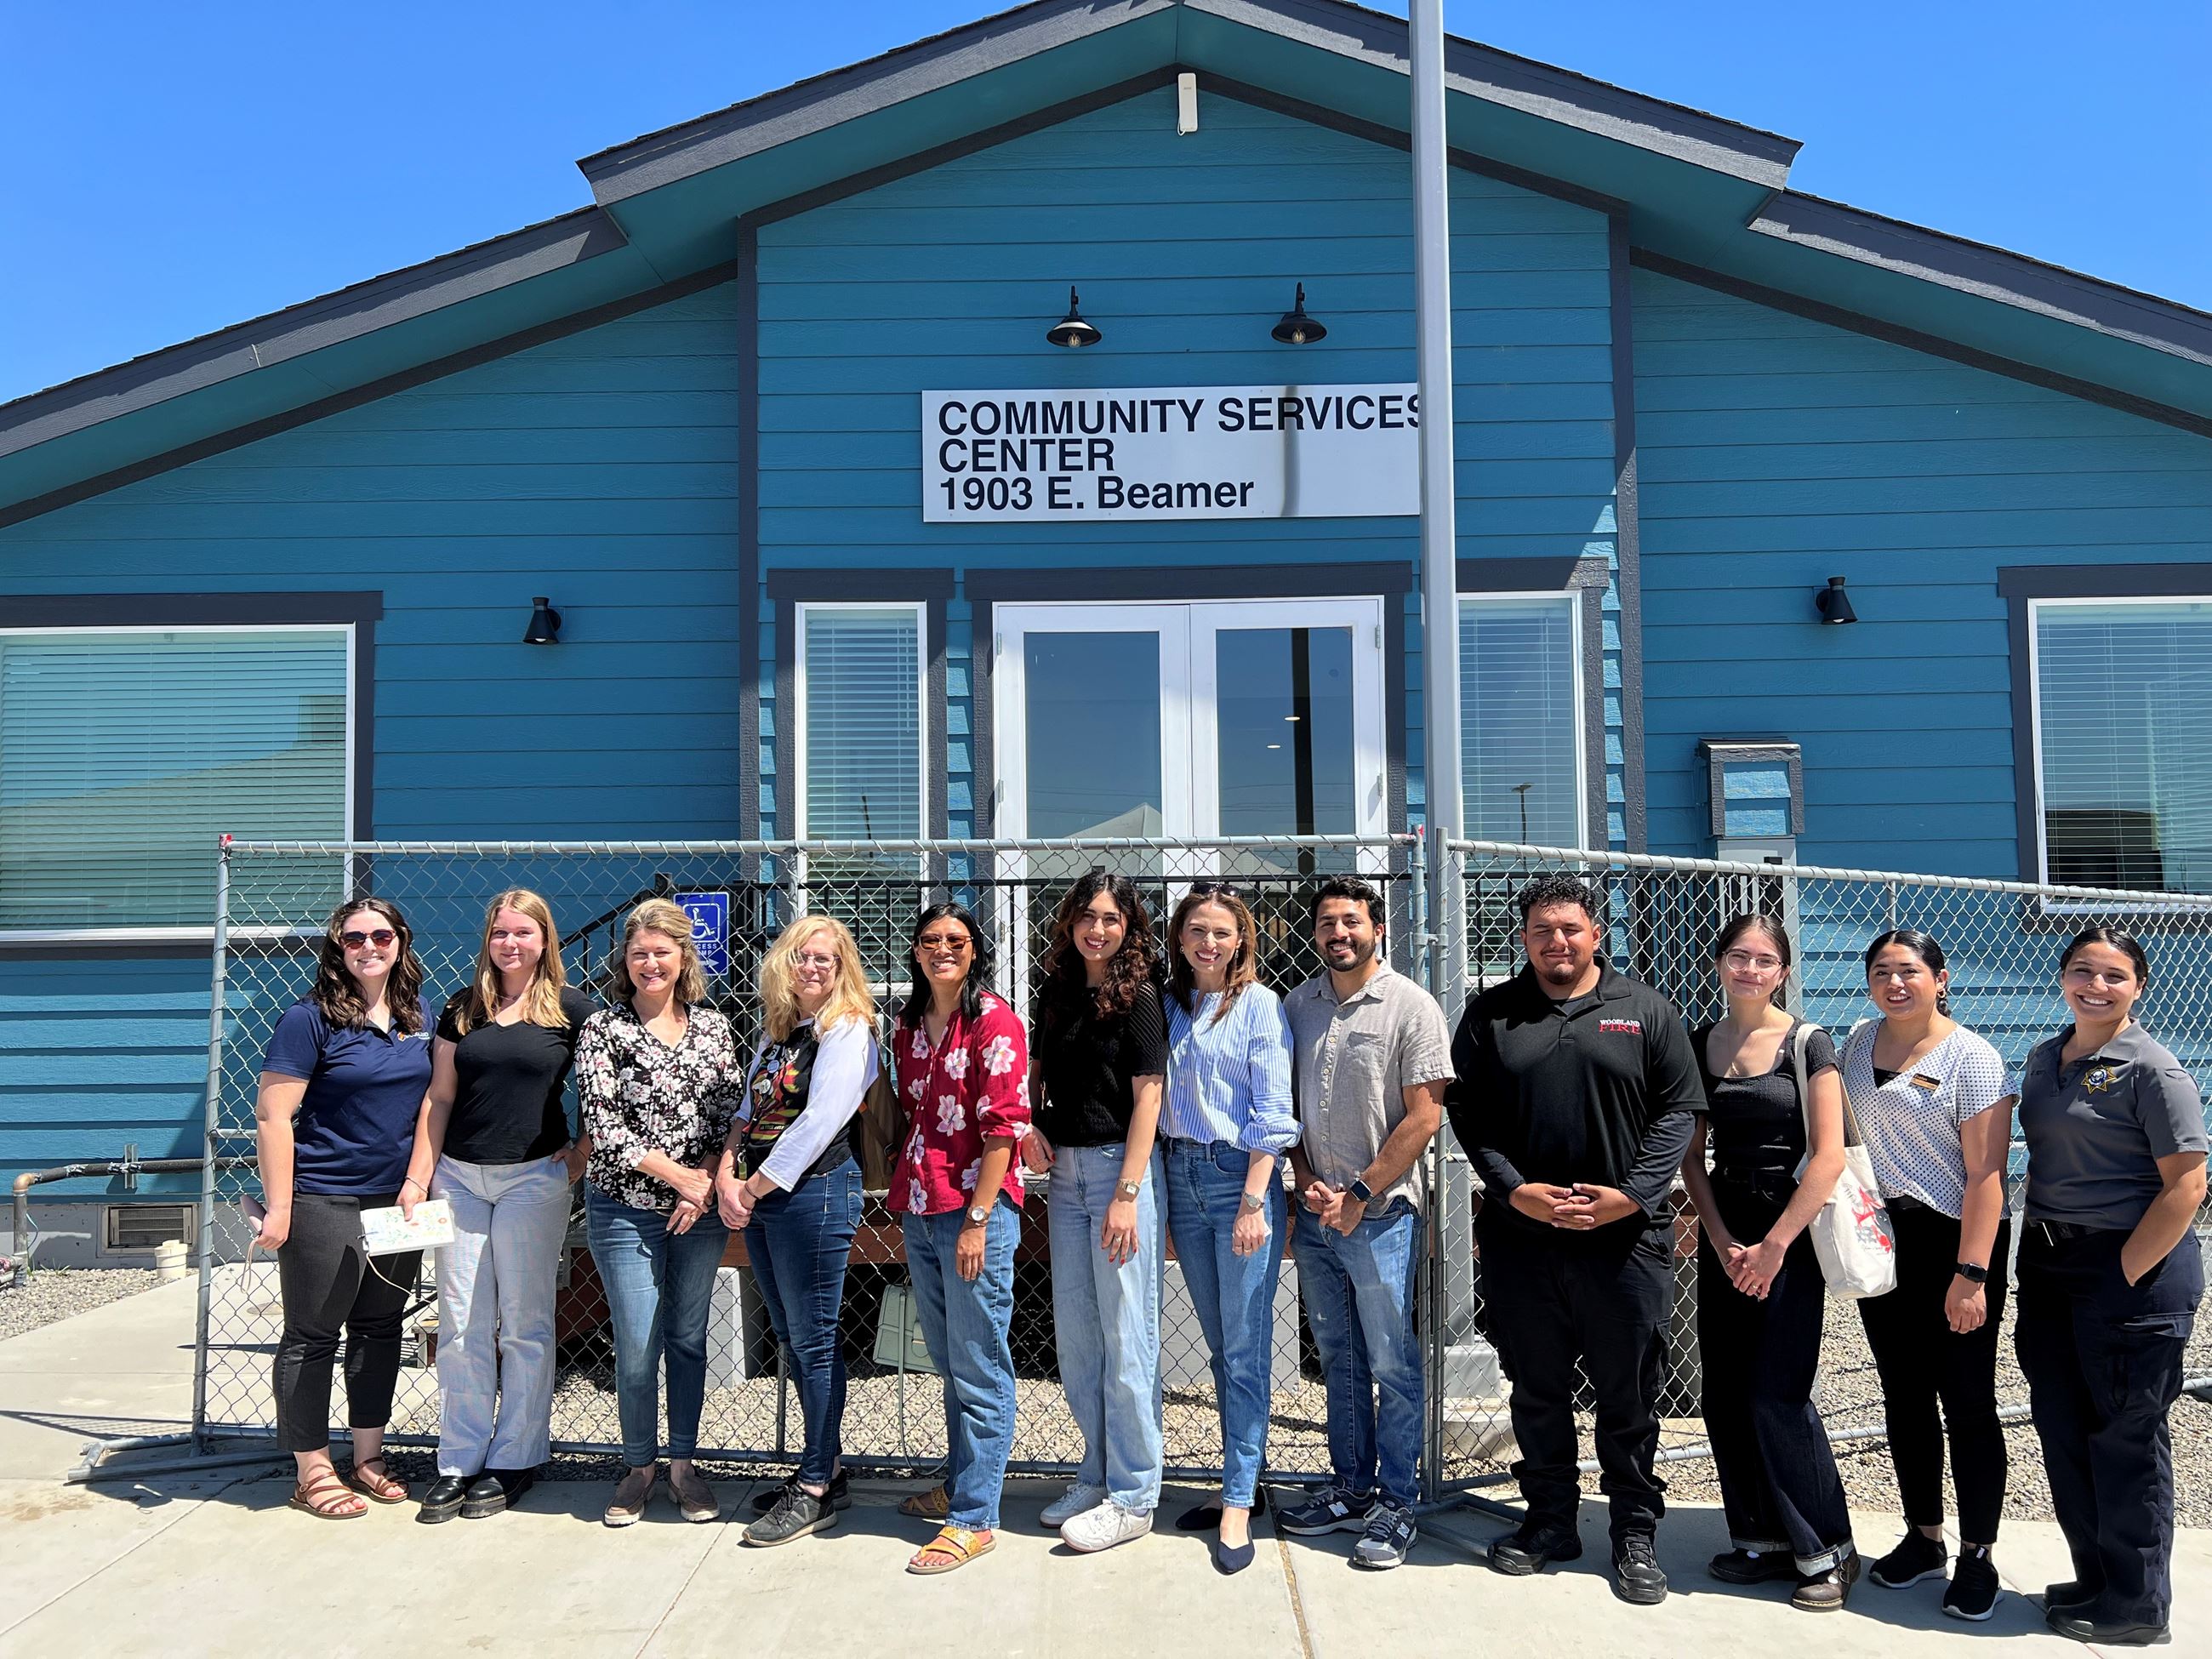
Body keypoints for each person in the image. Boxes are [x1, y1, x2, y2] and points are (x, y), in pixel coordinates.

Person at [1448, 875, 1704, 1607]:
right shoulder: (1492, 1016)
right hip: (1523, 1241)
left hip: (1625, 1244)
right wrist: (1514, 1189)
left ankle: (1633, 1530)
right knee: (1537, 1391)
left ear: (1597, 934)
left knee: (1627, 1398)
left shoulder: (1645, 1011)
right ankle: (1552, 1520)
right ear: (1523, 938)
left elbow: (1677, 1114)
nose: (1555, 942)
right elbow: (1472, 1118)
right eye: (1540, 930)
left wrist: (1631, 1197)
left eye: (1568, 928)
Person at [2015, 927, 2207, 1647]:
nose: (2095, 986)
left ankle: (2137, 1604)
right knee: (2064, 1428)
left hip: (2131, 1272)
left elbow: (2188, 1186)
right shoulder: (2045, 1058)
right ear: (2063, 978)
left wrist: (2121, 1273)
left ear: (2139, 986)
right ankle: (2095, 1575)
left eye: (2114, 976)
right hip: (2050, 1265)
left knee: (2126, 1437)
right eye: (2081, 972)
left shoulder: (2153, 1068)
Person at [1677, 915, 1858, 1611]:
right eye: (1737, 957)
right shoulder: (1701, 1045)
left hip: (1793, 1234)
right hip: (1729, 1231)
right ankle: (1759, 1538)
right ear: (1719, 965)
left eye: (1764, 959)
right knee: (1724, 1393)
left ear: (1782, 970)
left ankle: (1827, 1551)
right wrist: (1722, 1243)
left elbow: (1830, 1156)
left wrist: (1776, 1246)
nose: (1749, 969)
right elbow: (1692, 1158)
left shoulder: (1809, 1043)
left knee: (1777, 1395)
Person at [401, 890, 595, 1524]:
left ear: (545, 939)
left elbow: (604, 1091)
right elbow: (440, 1097)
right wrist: (417, 1178)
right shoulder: (464, 1009)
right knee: (458, 1325)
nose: (510, 944)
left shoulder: (573, 1012)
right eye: (500, 933)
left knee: (524, 1326)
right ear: (488, 939)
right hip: (458, 1179)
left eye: (523, 932)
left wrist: (582, 1154)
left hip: (532, 1181)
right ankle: (458, 1459)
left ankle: (515, 1458)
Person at [1277, 875, 1451, 1571]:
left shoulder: (1411, 1006)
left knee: (1391, 1361)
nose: (1338, 933)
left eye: (1351, 921)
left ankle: (1396, 1502)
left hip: (1380, 1216)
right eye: (1326, 923)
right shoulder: (1298, 1006)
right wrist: (1305, 1179)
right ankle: (1350, 1487)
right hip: (1315, 1212)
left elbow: (1425, 1117)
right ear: (1315, 934)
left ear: (1378, 928)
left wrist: (1358, 1191)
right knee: (1339, 1358)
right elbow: (1280, 1103)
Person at [1842, 928, 2015, 1618]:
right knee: (1904, 1395)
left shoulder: (1972, 1058)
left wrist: (1971, 1274)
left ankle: (1979, 1556)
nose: (1896, 983)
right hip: (1887, 1239)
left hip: (1957, 1239)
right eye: (1882, 971)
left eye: (1910, 971)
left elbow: (1988, 1175)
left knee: (1967, 1401)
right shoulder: (1859, 1044)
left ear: (1940, 979)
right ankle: (1924, 1537)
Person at [254, 897, 436, 1520]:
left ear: (400, 941)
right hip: (326, 1197)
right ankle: (312, 1469)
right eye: (353, 937)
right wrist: (280, 1208)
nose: (368, 947)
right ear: (337, 946)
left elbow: (430, 1106)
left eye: (380, 935)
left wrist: (418, 1179)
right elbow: (275, 1116)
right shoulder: (308, 1020)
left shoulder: (419, 1013)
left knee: (381, 1328)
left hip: (397, 1202)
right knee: (312, 1334)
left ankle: (368, 1457)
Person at [574, 898, 741, 1528]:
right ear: (626, 959)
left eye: (662, 953)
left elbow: (731, 1116)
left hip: (697, 1211)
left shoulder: (714, 1026)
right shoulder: (604, 1029)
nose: (651, 963)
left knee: (688, 1338)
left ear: (683, 958)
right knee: (639, 1344)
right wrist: (681, 1180)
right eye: (639, 953)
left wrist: (705, 1185)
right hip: (625, 1208)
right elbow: (605, 1126)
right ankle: (639, 1466)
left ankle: (683, 1465)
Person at [1021, 871, 1170, 1554]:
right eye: (1087, 916)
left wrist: (1129, 1194)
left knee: (1126, 1335)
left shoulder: (1139, 996)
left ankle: (1136, 1494)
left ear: (1128, 926)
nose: (1097, 929)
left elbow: (1148, 1096)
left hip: (1118, 1175)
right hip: (1067, 1178)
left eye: (1111, 918)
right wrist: (1034, 1126)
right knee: (1079, 1337)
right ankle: (1097, 1471)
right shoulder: (1054, 990)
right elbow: (1041, 1076)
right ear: (1070, 922)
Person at [715, 913, 875, 1547]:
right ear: (786, 961)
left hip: (814, 1195)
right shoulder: (781, 1031)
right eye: (803, 956)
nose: (812, 967)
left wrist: (750, 1188)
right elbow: (746, 1112)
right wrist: (729, 1171)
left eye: (826, 960)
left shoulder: (848, 1030)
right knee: (791, 1334)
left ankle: (814, 1487)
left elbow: (818, 1124)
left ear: (842, 971)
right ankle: (826, 1466)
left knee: (813, 1338)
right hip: (762, 1197)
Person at [1159, 882, 1298, 1575]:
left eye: (1221, 932)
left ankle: (1239, 1498)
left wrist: (1252, 1200)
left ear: (1240, 939)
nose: (1208, 942)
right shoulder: (1167, 1005)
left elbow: (1273, 1111)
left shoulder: (1261, 1007)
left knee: (1244, 1352)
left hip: (1235, 1178)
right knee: (1220, 1349)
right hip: (1178, 1178)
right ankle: (1241, 1480)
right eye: (1196, 930)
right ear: (1179, 937)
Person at [888, 902, 1031, 1575]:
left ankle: (974, 1517)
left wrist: (977, 1218)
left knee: (979, 1363)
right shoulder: (910, 1027)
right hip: (920, 1206)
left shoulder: (995, 1022)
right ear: (916, 953)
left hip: (974, 1210)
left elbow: (1004, 1129)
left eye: (955, 940)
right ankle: (959, 1480)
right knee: (950, 1357)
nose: (941, 949)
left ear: (975, 950)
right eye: (929, 941)